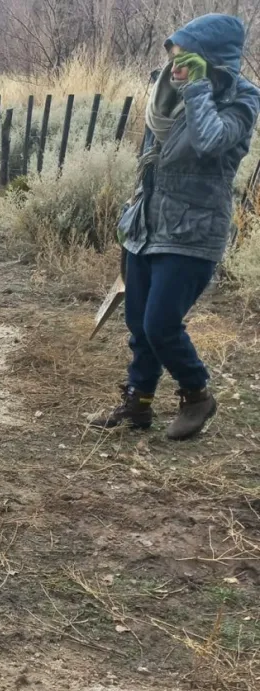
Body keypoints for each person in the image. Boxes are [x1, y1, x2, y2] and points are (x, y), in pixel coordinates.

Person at [94, 13, 260, 440]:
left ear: (213, 59)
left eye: (186, 56)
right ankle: (138, 403)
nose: (176, 65)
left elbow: (210, 143)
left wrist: (197, 88)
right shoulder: (164, 94)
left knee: (161, 324)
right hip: (148, 225)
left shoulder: (241, 100)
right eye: (173, 55)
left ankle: (197, 394)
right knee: (138, 324)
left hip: (192, 231)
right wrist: (132, 215)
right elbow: (150, 161)